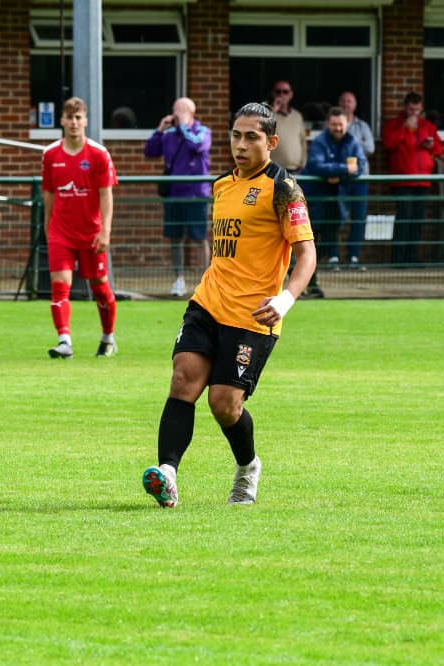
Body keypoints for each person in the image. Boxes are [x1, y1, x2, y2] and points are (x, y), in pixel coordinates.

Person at [141, 101, 316, 508]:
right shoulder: (221, 185)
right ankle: (167, 474)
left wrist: (286, 299)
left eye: (251, 137)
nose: (240, 145)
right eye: (236, 136)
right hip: (208, 303)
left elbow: (307, 254)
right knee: (183, 379)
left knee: (223, 404)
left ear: (271, 142)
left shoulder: (284, 189)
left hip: (253, 316)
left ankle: (248, 467)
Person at [41, 96, 119, 359]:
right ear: (62, 121)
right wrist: (48, 226)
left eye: (78, 117)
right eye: (69, 117)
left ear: (85, 120)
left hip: (91, 233)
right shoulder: (50, 154)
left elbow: (106, 194)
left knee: (100, 287)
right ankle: (64, 341)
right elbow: (49, 193)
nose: (74, 122)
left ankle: (108, 337)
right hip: (61, 232)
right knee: (59, 284)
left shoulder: (99, 154)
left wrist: (105, 230)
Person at [144, 97, 212, 298]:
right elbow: (150, 151)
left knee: (199, 238)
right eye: (175, 110)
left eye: (181, 111)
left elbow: (196, 147)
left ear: (191, 113)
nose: (176, 115)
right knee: (175, 238)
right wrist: (160, 130)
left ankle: (206, 281)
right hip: (174, 194)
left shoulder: (203, 132)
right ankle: (179, 279)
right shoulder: (169, 134)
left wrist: (184, 127)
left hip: (196, 195)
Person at [301, 106, 366, 283]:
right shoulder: (319, 142)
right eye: (334, 124)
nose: (338, 128)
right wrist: (344, 169)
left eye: (340, 124)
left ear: (347, 124)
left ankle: (308, 280)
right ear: (327, 124)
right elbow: (316, 165)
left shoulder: (352, 142)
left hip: (336, 201)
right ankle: (307, 281)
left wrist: (336, 174)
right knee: (310, 242)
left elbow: (360, 166)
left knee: (327, 242)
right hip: (315, 200)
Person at [382, 91, 443, 265]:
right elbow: (388, 143)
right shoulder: (394, 124)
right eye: (411, 109)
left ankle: (412, 257)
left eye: (417, 110)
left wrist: (431, 146)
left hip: (423, 180)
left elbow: (439, 150)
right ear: (405, 108)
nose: (414, 113)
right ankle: (398, 258)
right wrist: (404, 128)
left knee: (417, 220)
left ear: (421, 109)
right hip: (402, 180)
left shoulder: (427, 126)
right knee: (404, 218)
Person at [338, 91, 373, 268]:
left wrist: (353, 143)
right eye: (344, 101)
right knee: (337, 217)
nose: (346, 104)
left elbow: (370, 148)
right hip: (339, 176)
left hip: (360, 178)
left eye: (350, 101)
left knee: (358, 217)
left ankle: (353, 256)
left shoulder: (362, 125)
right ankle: (334, 256)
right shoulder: (334, 125)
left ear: (355, 105)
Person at [268, 80, 306, 173]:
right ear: (273, 94)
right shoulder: (268, 114)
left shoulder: (297, 116)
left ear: (291, 95)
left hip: (295, 170)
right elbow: (260, 129)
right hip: (273, 169)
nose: (281, 95)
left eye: (285, 92)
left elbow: (303, 141)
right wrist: (274, 110)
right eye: (278, 92)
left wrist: (303, 163)